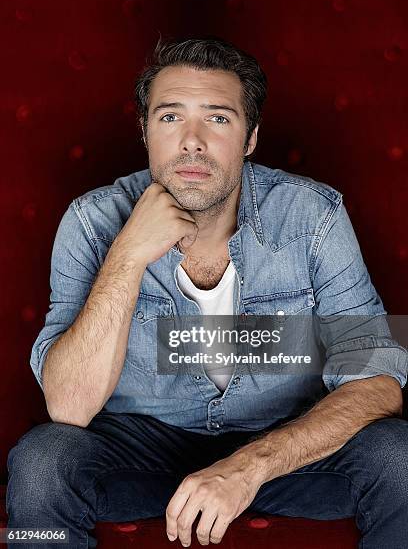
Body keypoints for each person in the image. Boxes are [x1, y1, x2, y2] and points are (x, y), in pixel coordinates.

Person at [6, 36, 408, 549]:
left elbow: (378, 382)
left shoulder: (313, 216)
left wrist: (249, 466)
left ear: (250, 139)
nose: (191, 141)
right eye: (170, 118)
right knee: (41, 462)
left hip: (282, 443)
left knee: (399, 454)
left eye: (217, 118)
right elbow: (68, 406)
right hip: (140, 447)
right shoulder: (91, 221)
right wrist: (128, 254)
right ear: (145, 131)